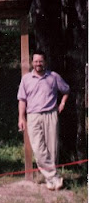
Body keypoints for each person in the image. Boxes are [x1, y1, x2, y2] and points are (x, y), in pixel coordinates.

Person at [17, 50, 70, 191]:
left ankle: (50, 181)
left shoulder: (53, 77)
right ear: (32, 63)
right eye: (35, 61)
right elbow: (22, 100)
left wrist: (62, 103)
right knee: (38, 149)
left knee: (52, 149)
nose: (38, 64)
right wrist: (21, 118)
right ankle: (55, 177)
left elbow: (66, 90)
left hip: (51, 115)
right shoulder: (26, 79)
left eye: (40, 61)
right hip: (33, 116)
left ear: (45, 62)